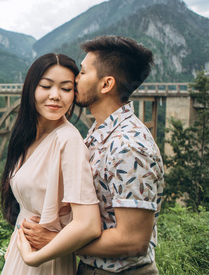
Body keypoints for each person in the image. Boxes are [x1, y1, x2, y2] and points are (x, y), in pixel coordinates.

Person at [18, 36, 165, 274]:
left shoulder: (128, 146)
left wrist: (57, 241)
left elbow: (133, 241)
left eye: (83, 73)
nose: (75, 79)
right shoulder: (99, 133)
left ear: (106, 84)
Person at [0, 53, 101, 275]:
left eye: (65, 89)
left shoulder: (68, 140)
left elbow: (89, 225)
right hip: (22, 254)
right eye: (46, 86)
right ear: (31, 89)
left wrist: (34, 259)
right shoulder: (27, 136)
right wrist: (16, 239)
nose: (55, 96)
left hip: (45, 262)